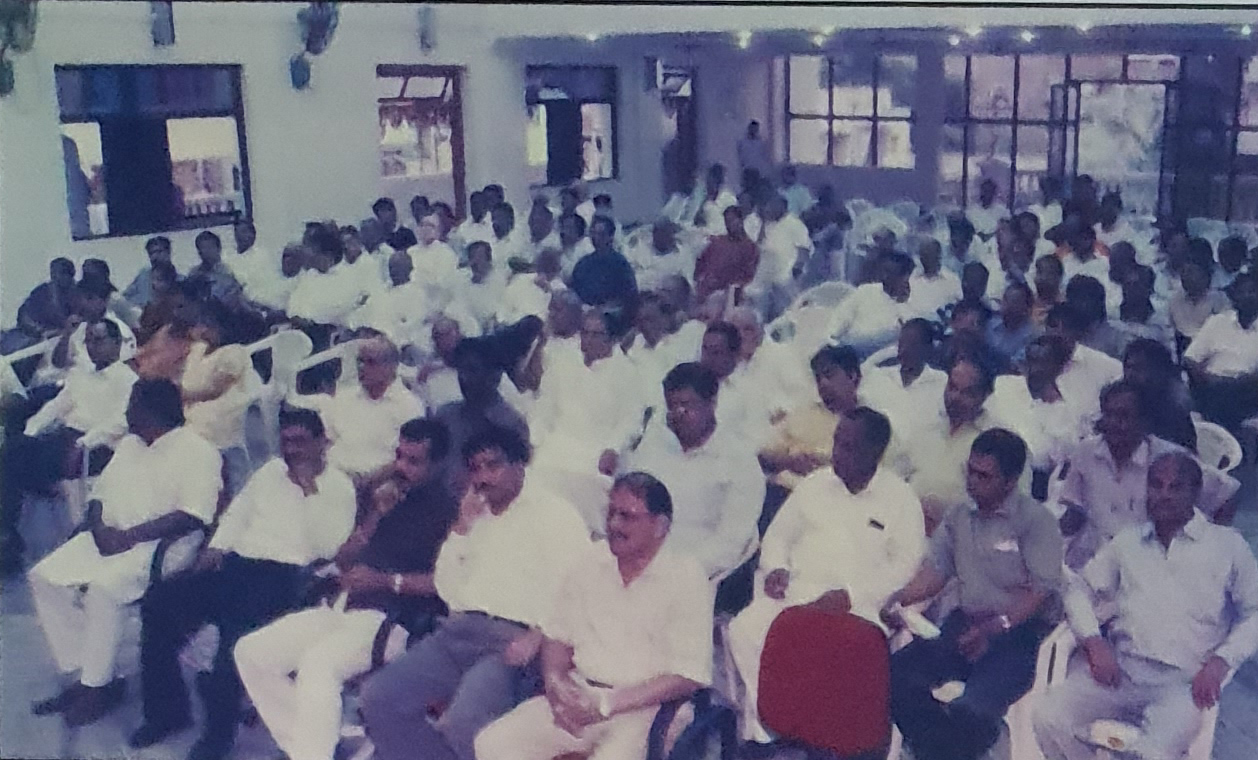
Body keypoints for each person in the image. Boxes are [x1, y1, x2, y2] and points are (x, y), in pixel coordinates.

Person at [129, 408, 357, 760]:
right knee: (158, 604)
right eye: (286, 441)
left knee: (232, 642)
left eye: (300, 442)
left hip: (288, 578)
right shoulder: (269, 472)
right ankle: (167, 713)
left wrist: (308, 489)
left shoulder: (339, 488)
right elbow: (238, 513)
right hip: (236, 564)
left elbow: (327, 548)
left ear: (321, 443)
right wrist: (215, 548)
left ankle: (218, 736)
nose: (291, 450)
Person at [360, 426, 591, 760]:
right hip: (457, 632)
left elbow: (579, 587)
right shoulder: (474, 515)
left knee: (465, 721)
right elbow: (447, 589)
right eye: (475, 468)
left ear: (519, 464)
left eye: (493, 465)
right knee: (378, 699)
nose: (482, 477)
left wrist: (539, 635)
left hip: (512, 642)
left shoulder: (555, 514)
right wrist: (462, 528)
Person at [235, 419, 457, 760]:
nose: (401, 467)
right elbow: (343, 559)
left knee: (318, 666)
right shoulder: (387, 496)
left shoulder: (450, 512)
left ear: (439, 464)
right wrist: (375, 517)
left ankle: (313, 749)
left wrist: (385, 581)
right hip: (342, 605)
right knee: (252, 652)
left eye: (414, 461)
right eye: (399, 456)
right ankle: (313, 746)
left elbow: (450, 584)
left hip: (393, 619)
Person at [1035, 452, 1258, 760]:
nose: (1163, 495)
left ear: (1195, 493)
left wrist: (1222, 660)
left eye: (1175, 487)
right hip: (1121, 672)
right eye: (1156, 485)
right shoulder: (1128, 542)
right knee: (1048, 717)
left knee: (1153, 753)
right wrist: (1093, 641)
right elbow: (1078, 588)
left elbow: (1254, 612)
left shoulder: (1227, 546)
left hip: (1182, 686)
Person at [473, 471, 711, 760]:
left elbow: (687, 675)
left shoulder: (686, 577)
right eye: (611, 513)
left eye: (627, 516)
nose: (614, 524)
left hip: (647, 709)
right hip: (579, 693)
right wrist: (555, 684)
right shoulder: (589, 561)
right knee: (492, 744)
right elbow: (558, 635)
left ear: (660, 526)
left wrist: (608, 703)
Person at [29, 379, 221, 727]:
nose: (127, 412)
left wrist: (130, 537)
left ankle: (97, 688)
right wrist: (99, 528)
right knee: (45, 577)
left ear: (151, 412)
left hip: (161, 546)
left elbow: (194, 514)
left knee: (105, 590)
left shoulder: (199, 451)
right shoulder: (131, 444)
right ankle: (91, 673)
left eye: (132, 404)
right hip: (108, 537)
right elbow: (100, 493)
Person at [732, 407, 926, 744]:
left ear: (875, 453)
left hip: (857, 606)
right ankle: (769, 728)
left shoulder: (900, 499)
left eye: (849, 447)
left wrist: (852, 594)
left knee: (830, 651)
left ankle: (817, 735)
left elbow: (905, 565)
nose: (837, 453)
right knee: (745, 630)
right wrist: (777, 567)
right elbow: (778, 536)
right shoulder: (814, 484)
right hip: (797, 593)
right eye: (837, 442)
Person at [883, 429, 1063, 760]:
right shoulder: (958, 516)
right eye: (971, 471)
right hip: (963, 626)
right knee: (894, 674)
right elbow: (936, 572)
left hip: (1016, 636)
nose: (972, 482)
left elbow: (1041, 593)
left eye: (984, 476)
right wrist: (898, 599)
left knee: (972, 710)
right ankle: (940, 750)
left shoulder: (1036, 522)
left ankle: (938, 750)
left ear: (1010, 481)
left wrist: (997, 626)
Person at [1056, 381, 1240, 570]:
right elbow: (1074, 513)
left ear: (1144, 421)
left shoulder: (1169, 458)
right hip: (1094, 561)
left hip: (1150, 566)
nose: (1113, 423)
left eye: (1123, 416)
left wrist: (1208, 547)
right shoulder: (1085, 452)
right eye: (1108, 414)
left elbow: (1227, 494)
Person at [2, 320, 138, 573]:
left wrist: (84, 442)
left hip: (95, 446)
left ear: (117, 343)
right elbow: (56, 406)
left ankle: (8, 536)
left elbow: (120, 422)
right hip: (63, 438)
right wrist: (30, 431)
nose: (93, 347)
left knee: (13, 460)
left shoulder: (129, 381)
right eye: (89, 341)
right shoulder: (81, 373)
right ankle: (8, 532)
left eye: (99, 341)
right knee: (13, 451)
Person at [618, 362, 764, 581]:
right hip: (641, 558)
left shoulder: (740, 461)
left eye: (687, 405)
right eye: (672, 406)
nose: (678, 413)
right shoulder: (654, 445)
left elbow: (731, 541)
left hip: (696, 572)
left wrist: (678, 571)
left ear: (712, 403)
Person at [288, 336, 426, 483]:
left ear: (391, 367)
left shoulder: (409, 406)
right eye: (360, 361)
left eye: (370, 362)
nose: (362, 367)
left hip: (377, 481)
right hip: (332, 476)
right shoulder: (344, 397)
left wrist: (370, 482)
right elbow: (325, 440)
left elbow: (409, 459)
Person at [894, 356, 1004, 534]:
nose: (955, 397)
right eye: (952, 387)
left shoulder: (998, 441)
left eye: (967, 393)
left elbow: (1007, 512)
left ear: (985, 395)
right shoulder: (926, 426)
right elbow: (894, 477)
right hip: (904, 528)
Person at [987, 334, 1092, 494]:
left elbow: (1057, 462)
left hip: (1034, 488)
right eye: (1032, 361)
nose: (1035, 369)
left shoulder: (1067, 413)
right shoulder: (1003, 386)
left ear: (1059, 368)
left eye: (1043, 362)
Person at [759, 345, 862, 495]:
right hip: (784, 491)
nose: (823, 384)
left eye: (829, 375)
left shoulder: (869, 423)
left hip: (834, 497)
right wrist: (789, 461)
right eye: (818, 378)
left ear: (852, 376)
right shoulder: (804, 413)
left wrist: (822, 465)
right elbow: (764, 452)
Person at [433, 337, 531, 493]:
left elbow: (514, 484)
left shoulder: (510, 424)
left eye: (472, 370)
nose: (463, 378)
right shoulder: (445, 415)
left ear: (494, 376)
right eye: (461, 370)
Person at [180, 306, 256, 499]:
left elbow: (216, 389)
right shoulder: (197, 350)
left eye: (211, 326)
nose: (205, 330)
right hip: (190, 405)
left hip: (221, 408)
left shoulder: (234, 352)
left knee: (196, 433)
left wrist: (185, 395)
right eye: (203, 325)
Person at [1184, 271, 1258, 429]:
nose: (1247, 296)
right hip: (1212, 386)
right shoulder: (1218, 321)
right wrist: (1206, 379)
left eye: (1252, 291)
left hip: (1248, 390)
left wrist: (1241, 382)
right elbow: (1190, 359)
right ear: (1234, 296)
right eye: (1242, 292)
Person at [861, 319, 948, 444]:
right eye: (901, 344)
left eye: (912, 345)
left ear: (927, 349)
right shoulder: (880, 376)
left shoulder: (942, 382)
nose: (903, 351)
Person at [826, 251, 914, 360]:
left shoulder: (911, 303)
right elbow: (837, 325)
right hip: (850, 354)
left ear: (905, 276)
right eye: (884, 271)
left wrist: (901, 302)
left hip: (886, 359)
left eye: (891, 273)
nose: (884, 276)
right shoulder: (865, 291)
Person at [1044, 303, 1123, 419]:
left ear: (1077, 333)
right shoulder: (1032, 364)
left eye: (1065, 328)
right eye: (1053, 326)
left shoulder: (1106, 366)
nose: (1057, 333)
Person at [1123, 338, 1196, 451]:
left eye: (1139, 368)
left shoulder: (1174, 407)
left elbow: (1179, 452)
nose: (1130, 374)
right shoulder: (1120, 397)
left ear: (1157, 371)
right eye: (1128, 367)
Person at [570, 217, 638, 330]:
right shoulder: (583, 263)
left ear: (610, 236)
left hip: (612, 318)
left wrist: (604, 309)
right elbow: (574, 291)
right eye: (593, 233)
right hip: (584, 315)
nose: (596, 238)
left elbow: (629, 297)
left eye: (601, 234)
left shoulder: (621, 264)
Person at [694, 205, 760, 305]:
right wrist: (699, 280)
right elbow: (701, 262)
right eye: (727, 221)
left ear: (740, 220)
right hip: (704, 291)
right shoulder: (717, 242)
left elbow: (747, 276)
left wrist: (725, 287)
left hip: (727, 296)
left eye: (732, 220)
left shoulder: (750, 248)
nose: (729, 224)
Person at [1168, 254, 1230, 359]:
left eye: (1192, 272)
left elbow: (1224, 330)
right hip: (1182, 348)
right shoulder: (1175, 300)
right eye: (1185, 272)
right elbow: (1171, 331)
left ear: (1205, 276)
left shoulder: (1219, 299)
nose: (1187, 276)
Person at [186, 231, 246, 308]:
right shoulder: (193, 274)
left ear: (219, 249)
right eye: (203, 247)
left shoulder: (229, 271)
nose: (207, 251)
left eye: (210, 247)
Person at [907, 238, 962, 321]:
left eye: (930, 255)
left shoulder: (952, 279)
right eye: (923, 255)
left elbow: (959, 305)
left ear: (938, 256)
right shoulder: (911, 278)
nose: (925, 258)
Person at [123, 237, 174, 309]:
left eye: (158, 252)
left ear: (168, 252)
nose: (154, 257)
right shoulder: (143, 276)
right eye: (151, 253)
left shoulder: (181, 281)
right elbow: (125, 299)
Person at [1030, 254, 1065, 329]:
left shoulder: (1066, 306)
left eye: (1049, 274)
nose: (1042, 278)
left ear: (1058, 276)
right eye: (1039, 272)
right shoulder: (1027, 304)